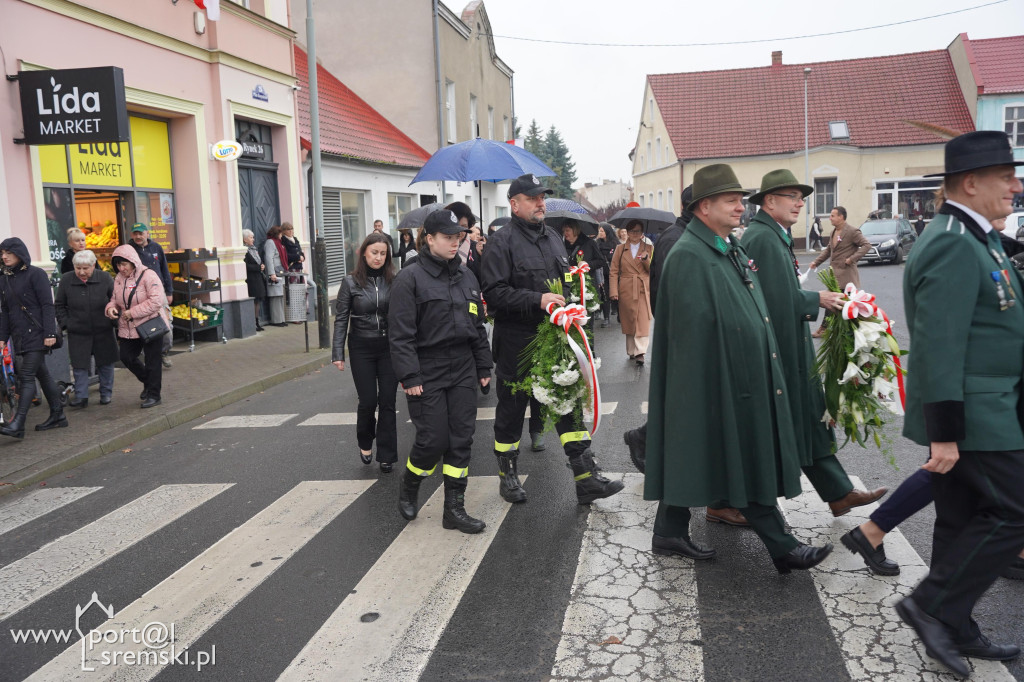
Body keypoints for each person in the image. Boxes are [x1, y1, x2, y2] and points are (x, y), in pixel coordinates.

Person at [644, 164, 833, 571]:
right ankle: (783, 547)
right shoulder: (689, 255)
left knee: (707, 455)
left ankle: (669, 531)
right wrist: (714, 387)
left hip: (742, 375)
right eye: (730, 201)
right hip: (720, 382)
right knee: (737, 457)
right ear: (703, 206)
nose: (739, 208)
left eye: (739, 200)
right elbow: (690, 339)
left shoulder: (727, 245)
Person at [894, 130, 1024, 677]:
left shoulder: (976, 235)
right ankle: (931, 604)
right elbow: (938, 342)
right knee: (1015, 510)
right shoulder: (951, 240)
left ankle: (957, 625)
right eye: (1006, 178)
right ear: (971, 184)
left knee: (959, 518)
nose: (1016, 187)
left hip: (987, 404)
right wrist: (943, 431)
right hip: (976, 412)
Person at [741, 169, 887, 522]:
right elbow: (770, 300)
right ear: (769, 201)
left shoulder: (774, 233)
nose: (800, 202)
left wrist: (816, 299)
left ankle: (839, 494)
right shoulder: (762, 236)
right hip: (779, 347)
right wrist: (814, 300)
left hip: (790, 342)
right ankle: (727, 500)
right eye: (792, 196)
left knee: (809, 417)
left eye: (800, 197)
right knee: (787, 422)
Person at [480, 174, 624, 506]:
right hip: (517, 342)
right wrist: (537, 299)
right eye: (532, 198)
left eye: (542, 197)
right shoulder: (501, 243)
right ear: (514, 204)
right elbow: (494, 294)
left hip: (555, 339)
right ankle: (508, 474)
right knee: (512, 412)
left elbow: (565, 283)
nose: (540, 203)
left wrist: (577, 306)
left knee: (568, 406)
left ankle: (586, 477)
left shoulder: (554, 239)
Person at [389, 209, 493, 533]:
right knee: (433, 439)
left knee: (461, 439)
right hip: (427, 367)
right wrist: (410, 376)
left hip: (462, 365)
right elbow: (401, 334)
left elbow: (477, 325)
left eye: (457, 236)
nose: (454, 242)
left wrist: (483, 364)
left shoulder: (467, 276)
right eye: (447, 237)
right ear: (429, 239)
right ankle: (410, 482)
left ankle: (454, 509)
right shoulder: (410, 278)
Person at [333, 232, 399, 473]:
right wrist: (337, 353)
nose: (378, 257)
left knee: (388, 401)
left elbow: (403, 315)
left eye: (383, 254)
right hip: (361, 346)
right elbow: (341, 319)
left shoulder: (395, 279)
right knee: (369, 401)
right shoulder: (350, 282)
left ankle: (387, 455)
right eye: (374, 253)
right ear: (363, 253)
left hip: (389, 347)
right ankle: (364, 440)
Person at [0, 237, 67, 439]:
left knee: (26, 376)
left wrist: (49, 333)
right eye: (2, 253)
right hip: (19, 336)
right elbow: (5, 311)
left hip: (38, 334)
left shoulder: (36, 274)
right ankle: (58, 415)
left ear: (19, 254)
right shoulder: (4, 278)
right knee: (43, 374)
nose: (4, 257)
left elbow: (48, 305)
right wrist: (2, 337)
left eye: (8, 253)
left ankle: (18, 423)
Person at [105, 245, 171, 408]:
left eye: (124, 264)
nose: (121, 268)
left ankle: (154, 396)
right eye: (118, 265)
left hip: (150, 323)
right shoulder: (119, 278)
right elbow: (114, 299)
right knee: (126, 356)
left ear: (133, 261)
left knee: (152, 361)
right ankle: (148, 382)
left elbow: (156, 301)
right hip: (129, 327)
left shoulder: (149, 275)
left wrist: (132, 312)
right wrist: (111, 308)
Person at [55, 250, 117, 408]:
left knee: (106, 363)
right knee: (79, 365)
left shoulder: (104, 278)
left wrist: (113, 319)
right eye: (78, 268)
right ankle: (81, 397)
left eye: (85, 268)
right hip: (78, 330)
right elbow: (59, 305)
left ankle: (106, 393)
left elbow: (115, 300)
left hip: (102, 328)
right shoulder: (67, 279)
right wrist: (66, 323)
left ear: (93, 265)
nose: (81, 272)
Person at [808, 206, 871, 337]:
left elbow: (866, 245)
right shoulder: (833, 232)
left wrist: (852, 259)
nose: (830, 218)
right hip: (835, 274)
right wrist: (816, 262)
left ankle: (826, 328)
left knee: (839, 303)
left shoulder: (852, 231)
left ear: (841, 217)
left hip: (847, 275)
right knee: (836, 303)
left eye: (832, 216)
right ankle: (839, 329)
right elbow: (828, 250)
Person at [129, 223, 174, 368]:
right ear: (131, 235)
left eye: (141, 233)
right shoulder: (129, 251)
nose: (138, 236)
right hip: (139, 295)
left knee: (166, 325)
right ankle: (148, 355)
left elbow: (164, 270)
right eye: (135, 233)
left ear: (147, 233)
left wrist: (169, 291)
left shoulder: (156, 248)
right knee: (142, 326)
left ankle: (164, 352)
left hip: (159, 293)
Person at [610, 219, 652, 365]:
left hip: (642, 287)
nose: (635, 234)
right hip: (626, 287)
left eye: (638, 231)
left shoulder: (649, 248)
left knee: (642, 320)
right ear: (627, 232)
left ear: (642, 233)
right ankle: (631, 350)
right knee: (629, 320)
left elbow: (652, 270)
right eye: (632, 231)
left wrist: (646, 260)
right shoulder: (620, 249)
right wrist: (613, 291)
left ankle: (640, 352)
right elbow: (614, 271)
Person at [242, 229, 267, 332]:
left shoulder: (254, 249)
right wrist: (258, 267)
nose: (253, 239)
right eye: (251, 237)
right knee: (254, 301)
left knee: (258, 301)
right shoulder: (244, 251)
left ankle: (257, 322)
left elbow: (259, 261)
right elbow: (245, 265)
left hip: (258, 278)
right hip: (251, 280)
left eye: (252, 237)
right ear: (244, 239)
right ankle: (252, 323)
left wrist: (262, 265)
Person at [263, 225, 287, 327]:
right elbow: (269, 258)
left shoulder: (279, 243)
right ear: (277, 234)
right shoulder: (270, 243)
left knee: (280, 296)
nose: (282, 235)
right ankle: (276, 320)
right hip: (274, 273)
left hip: (280, 271)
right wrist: (271, 273)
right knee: (275, 297)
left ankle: (281, 319)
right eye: (280, 233)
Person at [595, 224, 617, 327]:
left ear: (607, 232)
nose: (600, 233)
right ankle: (606, 318)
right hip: (602, 273)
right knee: (605, 295)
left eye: (602, 231)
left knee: (617, 294)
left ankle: (619, 313)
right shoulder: (596, 244)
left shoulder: (615, 244)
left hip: (614, 273)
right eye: (599, 231)